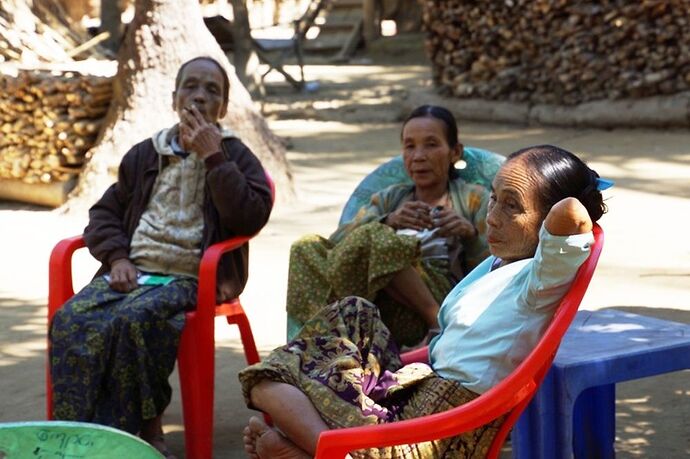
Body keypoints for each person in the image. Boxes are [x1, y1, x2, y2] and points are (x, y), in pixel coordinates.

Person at [239, 144, 608, 459]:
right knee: (354, 311)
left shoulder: (541, 279)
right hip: (419, 390)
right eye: (494, 197)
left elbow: (572, 219)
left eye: (512, 206)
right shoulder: (502, 264)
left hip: (438, 427)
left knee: (267, 383)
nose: (491, 218)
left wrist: (574, 195)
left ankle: (321, 449)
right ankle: (316, 444)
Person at [48, 56, 273, 458]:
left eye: (212, 91)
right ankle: (79, 431)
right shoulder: (145, 154)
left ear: (223, 108)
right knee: (72, 319)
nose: (200, 96)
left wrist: (214, 157)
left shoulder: (235, 155)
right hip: (134, 272)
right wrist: (118, 258)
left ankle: (141, 434)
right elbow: (104, 213)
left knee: (133, 321)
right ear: (174, 98)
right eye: (191, 87)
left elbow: (250, 216)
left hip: (192, 277)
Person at [287, 105, 490, 347]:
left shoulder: (475, 199)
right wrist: (389, 221)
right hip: (380, 305)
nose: (418, 156)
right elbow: (339, 243)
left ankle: (436, 321)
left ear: (455, 152)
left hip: (442, 301)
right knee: (305, 247)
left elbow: (500, 268)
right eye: (410, 146)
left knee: (377, 235)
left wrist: (469, 235)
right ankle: (322, 342)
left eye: (431, 144)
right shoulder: (389, 199)